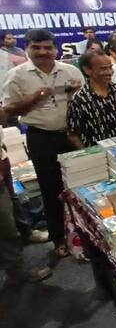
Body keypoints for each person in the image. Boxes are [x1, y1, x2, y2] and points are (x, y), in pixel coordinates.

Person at [2, 29, 84, 258]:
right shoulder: (17, 76)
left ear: (56, 49)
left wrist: (77, 92)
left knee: (81, 186)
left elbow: (84, 101)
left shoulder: (70, 71)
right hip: (41, 138)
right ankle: (59, 238)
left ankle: (84, 233)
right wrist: (35, 97)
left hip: (72, 135)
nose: (43, 52)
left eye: (48, 47)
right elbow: (8, 112)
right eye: (36, 47)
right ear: (26, 49)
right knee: (51, 190)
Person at [0, 110, 53, 284]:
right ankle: (15, 271)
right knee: (5, 222)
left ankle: (27, 233)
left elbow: (3, 115)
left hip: (2, 156)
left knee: (13, 201)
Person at [67, 50, 116, 149]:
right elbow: (73, 135)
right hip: (97, 155)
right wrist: (89, 155)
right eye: (103, 69)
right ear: (87, 70)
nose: (109, 72)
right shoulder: (79, 99)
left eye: (110, 67)